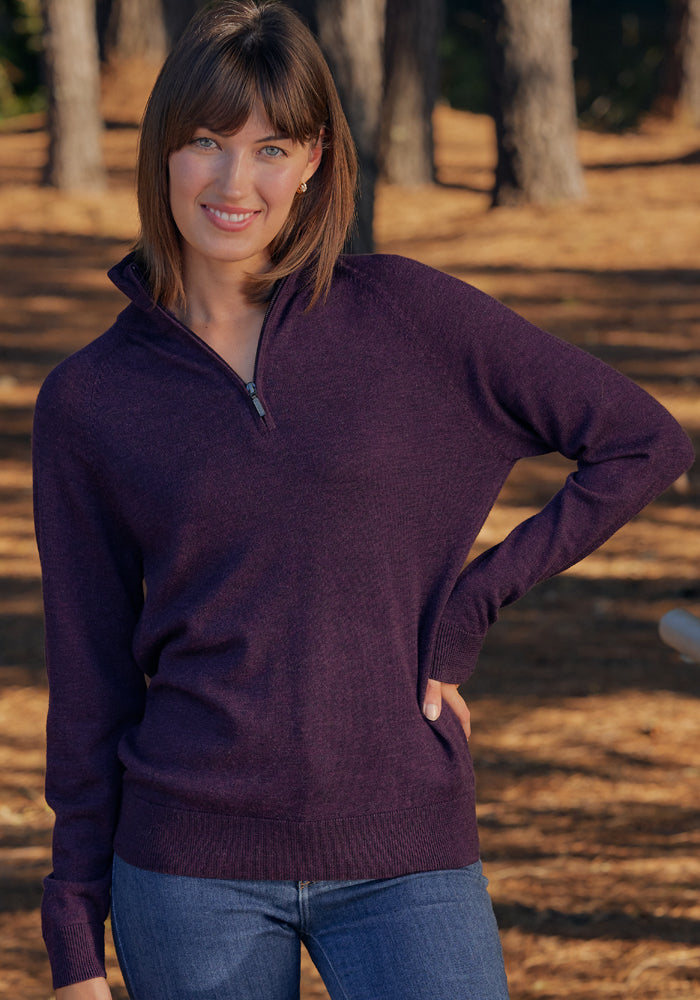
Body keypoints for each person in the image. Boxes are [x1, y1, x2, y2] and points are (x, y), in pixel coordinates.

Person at [32, 3, 694, 999]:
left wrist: (465, 608)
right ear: (161, 154)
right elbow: (87, 679)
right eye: (205, 142)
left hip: (404, 847)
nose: (233, 180)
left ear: (313, 161)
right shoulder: (89, 400)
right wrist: (74, 929)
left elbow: (640, 440)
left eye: (270, 147)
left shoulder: (405, 315)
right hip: (187, 867)